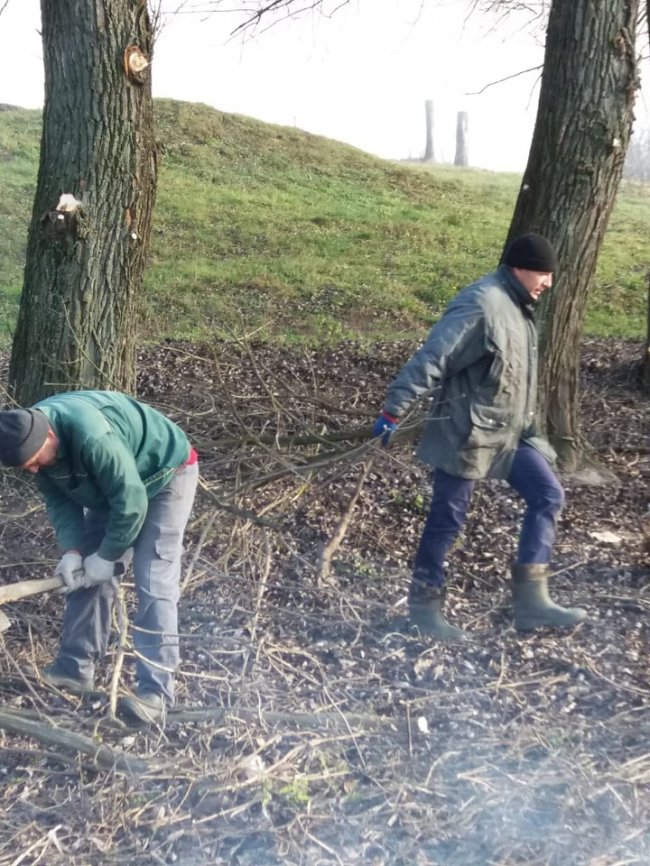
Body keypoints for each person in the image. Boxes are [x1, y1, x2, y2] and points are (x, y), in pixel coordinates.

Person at [372, 233, 586, 640]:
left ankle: (531, 603)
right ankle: (424, 610)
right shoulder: (482, 303)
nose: (549, 282)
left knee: (548, 495)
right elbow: (436, 356)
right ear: (519, 268)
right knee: (446, 519)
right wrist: (393, 409)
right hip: (465, 432)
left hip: (509, 432)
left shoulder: (519, 308)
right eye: (544, 273)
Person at [0, 390, 198, 724]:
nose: (33, 471)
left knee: (153, 579)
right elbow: (60, 503)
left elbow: (132, 500)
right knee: (84, 575)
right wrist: (73, 552)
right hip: (113, 484)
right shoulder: (30, 437)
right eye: (26, 467)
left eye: (34, 461)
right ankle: (75, 669)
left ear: (50, 435)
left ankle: (156, 693)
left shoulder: (93, 437)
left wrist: (108, 557)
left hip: (164, 474)